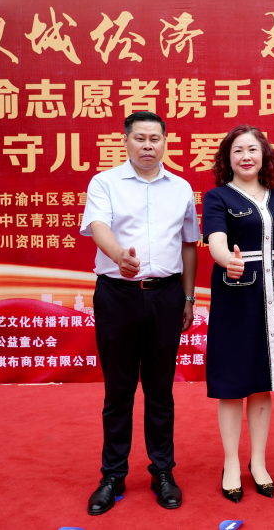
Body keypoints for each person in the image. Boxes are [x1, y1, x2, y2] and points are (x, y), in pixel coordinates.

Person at [79, 111, 200, 516]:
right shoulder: (105, 183)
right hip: (117, 295)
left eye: (155, 138)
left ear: (165, 141)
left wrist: (188, 298)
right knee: (119, 391)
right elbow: (98, 225)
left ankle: (162, 471)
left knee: (160, 391)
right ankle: (112, 475)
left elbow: (189, 244)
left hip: (166, 296)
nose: (148, 145)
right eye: (140, 138)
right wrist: (118, 255)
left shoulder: (181, 188)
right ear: (126, 141)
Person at [202, 125, 274, 503]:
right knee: (231, 383)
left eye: (253, 149)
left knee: (261, 381)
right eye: (238, 150)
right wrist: (227, 259)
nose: (246, 156)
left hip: (273, 298)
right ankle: (230, 462)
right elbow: (216, 241)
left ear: (264, 156)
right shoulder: (217, 196)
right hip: (235, 297)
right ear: (228, 159)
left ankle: (258, 462)